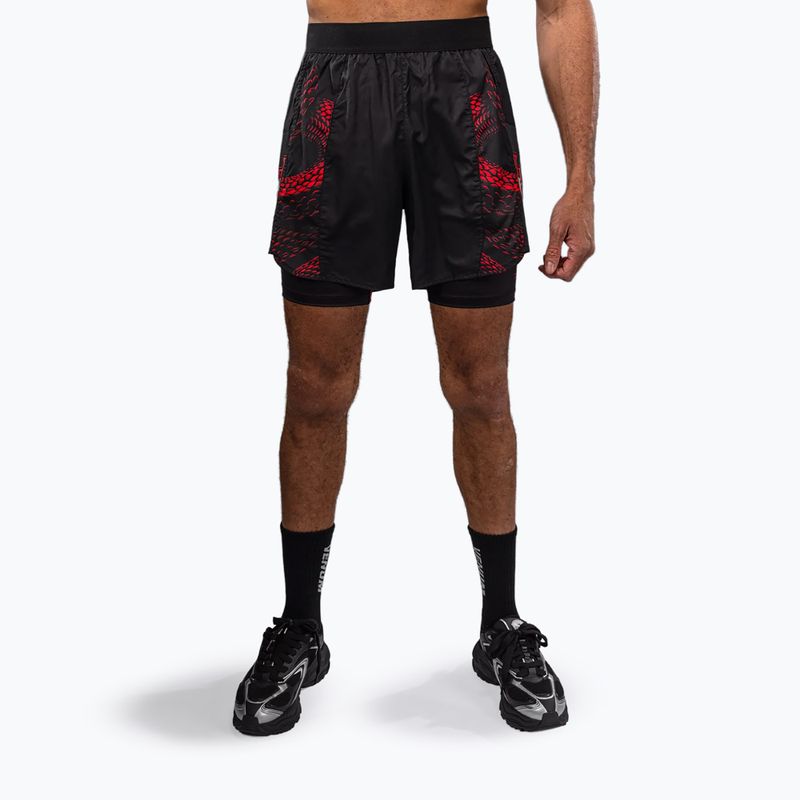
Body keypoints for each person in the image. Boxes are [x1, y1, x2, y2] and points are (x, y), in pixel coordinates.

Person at [233, 0, 599, 735]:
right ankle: (301, 626)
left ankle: (502, 623)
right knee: (316, 387)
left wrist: (581, 180)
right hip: (336, 89)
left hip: (463, 94)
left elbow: (561, 7)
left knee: (481, 387)